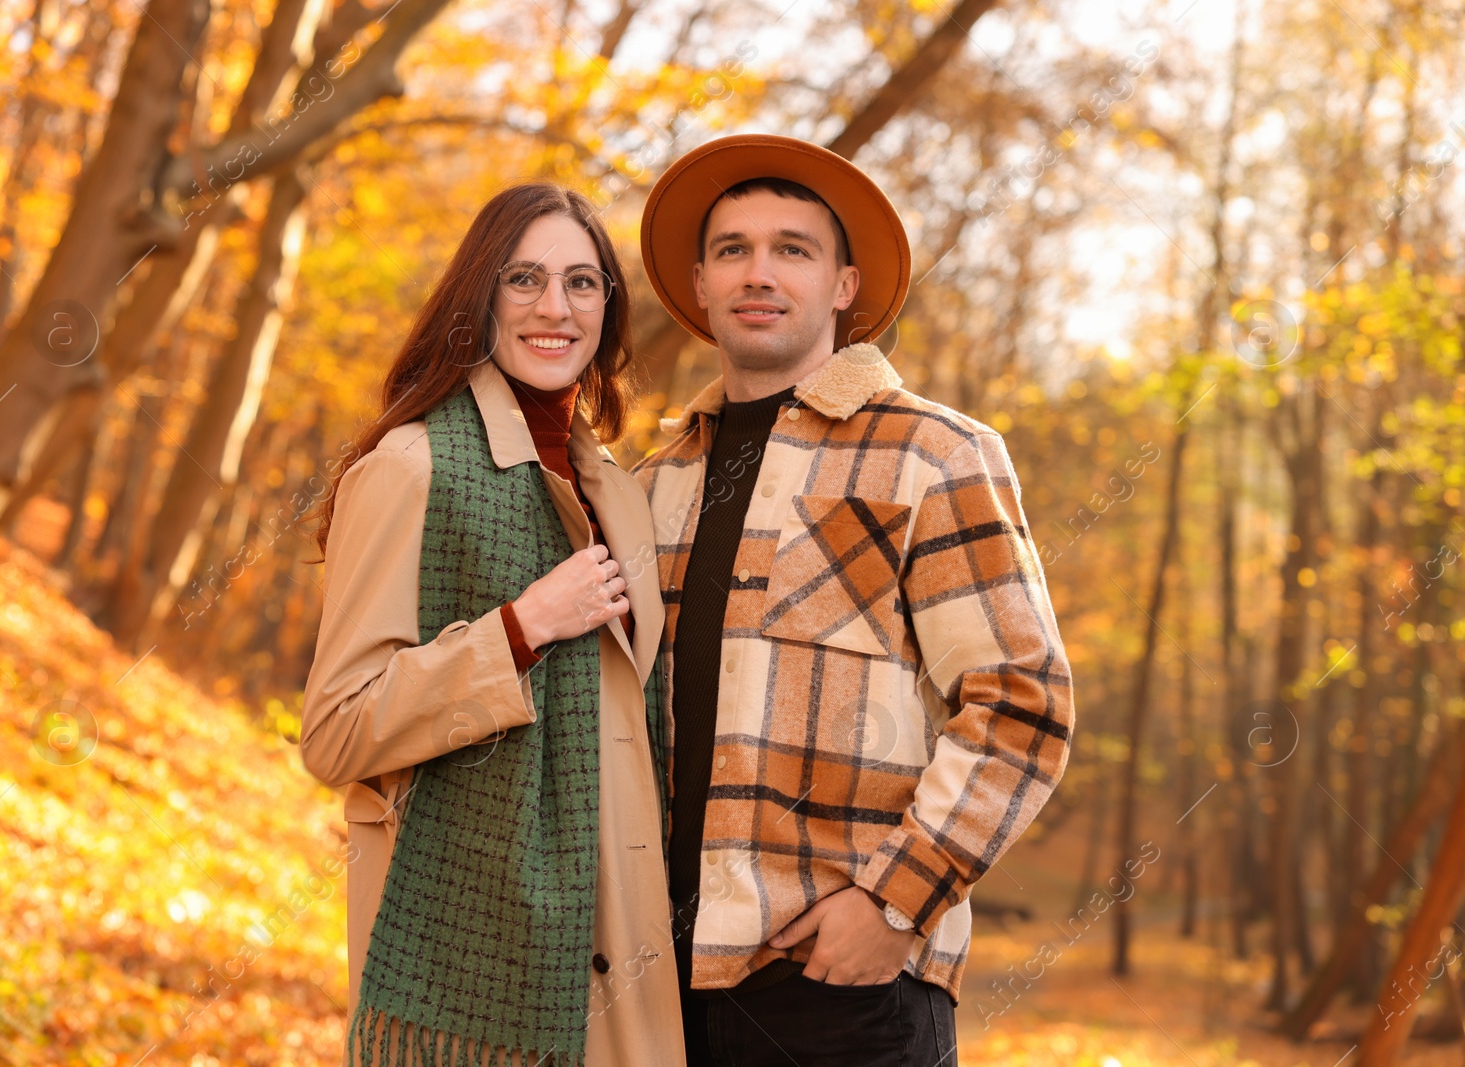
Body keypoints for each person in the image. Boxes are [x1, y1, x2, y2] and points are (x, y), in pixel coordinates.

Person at [631, 134, 1075, 1066]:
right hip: (651, 990)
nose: (760, 272)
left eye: (793, 248)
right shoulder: (650, 482)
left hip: (841, 990)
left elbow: (1021, 703)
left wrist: (893, 904)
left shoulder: (934, 455)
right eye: (732, 249)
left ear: (843, 286)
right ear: (703, 286)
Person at [300, 182, 685, 1067]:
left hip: (629, 939)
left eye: (583, 283)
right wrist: (517, 628)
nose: (556, 307)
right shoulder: (411, 467)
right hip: (479, 966)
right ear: (481, 298)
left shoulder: (619, 491)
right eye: (525, 279)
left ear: (608, 309)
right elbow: (335, 731)